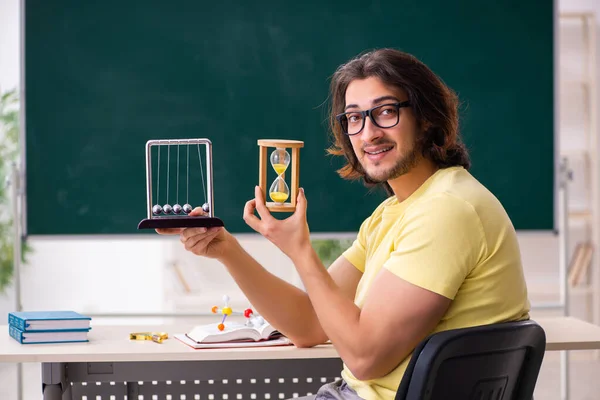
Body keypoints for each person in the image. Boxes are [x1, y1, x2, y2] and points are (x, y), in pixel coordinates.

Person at [158, 48, 530, 400]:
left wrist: (301, 252)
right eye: (354, 117)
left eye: (385, 112)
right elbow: (308, 325)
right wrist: (226, 249)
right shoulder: (391, 215)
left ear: (427, 118)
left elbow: (365, 359)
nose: (368, 134)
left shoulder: (447, 211)